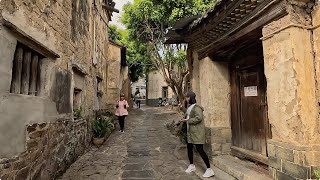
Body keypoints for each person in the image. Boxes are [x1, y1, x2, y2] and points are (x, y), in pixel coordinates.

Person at [180, 91, 214, 178]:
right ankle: (192, 165)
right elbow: (188, 114)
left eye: (187, 97)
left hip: (197, 133)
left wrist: (187, 121)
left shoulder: (197, 107)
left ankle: (209, 169)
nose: (186, 99)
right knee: (189, 148)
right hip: (190, 132)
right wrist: (182, 108)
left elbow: (199, 118)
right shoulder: (190, 107)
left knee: (200, 150)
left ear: (190, 97)